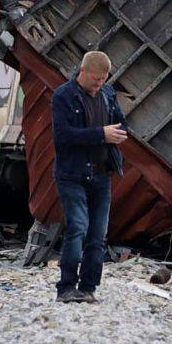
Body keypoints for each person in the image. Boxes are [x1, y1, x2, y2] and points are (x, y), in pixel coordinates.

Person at [50, 50, 128, 303]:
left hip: (101, 174)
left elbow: (120, 124)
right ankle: (66, 288)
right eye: (95, 79)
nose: (99, 84)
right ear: (82, 72)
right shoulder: (63, 96)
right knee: (78, 228)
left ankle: (88, 287)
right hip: (72, 174)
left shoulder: (108, 94)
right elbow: (62, 136)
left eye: (103, 79)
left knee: (98, 234)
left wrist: (117, 134)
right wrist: (100, 135)